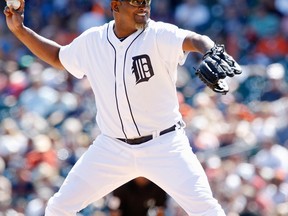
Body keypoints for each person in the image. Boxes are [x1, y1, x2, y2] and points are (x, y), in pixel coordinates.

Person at [4, 0, 237, 215]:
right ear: (116, 5)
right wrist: (20, 31)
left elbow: (194, 39)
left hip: (165, 145)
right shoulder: (93, 40)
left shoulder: (158, 34)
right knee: (58, 208)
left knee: (207, 210)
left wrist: (209, 50)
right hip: (112, 147)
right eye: (136, 2)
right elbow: (57, 56)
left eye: (146, 1)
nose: (143, 6)